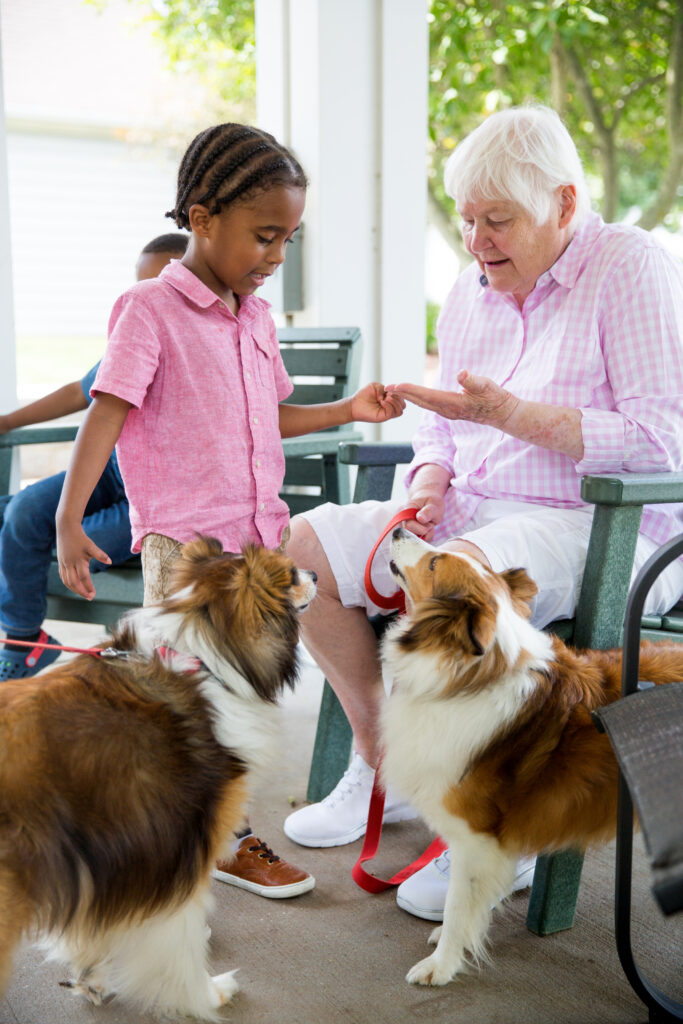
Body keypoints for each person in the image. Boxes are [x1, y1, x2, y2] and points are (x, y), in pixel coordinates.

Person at [281, 104, 683, 922]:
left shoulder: (630, 266)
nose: (474, 241)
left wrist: (513, 417)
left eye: (496, 220)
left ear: (564, 204)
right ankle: (385, 757)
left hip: (598, 520)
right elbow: (441, 424)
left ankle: (496, 825)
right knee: (301, 546)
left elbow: (663, 442)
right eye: (466, 220)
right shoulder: (474, 287)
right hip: (475, 511)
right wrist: (427, 478)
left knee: (453, 577)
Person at [54, 122, 405, 901]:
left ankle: (209, 835)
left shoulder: (254, 317)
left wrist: (349, 407)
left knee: (241, 703)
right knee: (187, 703)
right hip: (187, 553)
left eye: (289, 239)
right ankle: (186, 845)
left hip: (260, 548)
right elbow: (104, 413)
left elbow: (269, 417)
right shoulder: (147, 309)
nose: (276, 255)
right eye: (264, 236)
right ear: (203, 216)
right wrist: (68, 518)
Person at [0, 232, 188, 681]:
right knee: (23, 510)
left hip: (158, 500)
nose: (147, 299)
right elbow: (77, 391)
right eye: (139, 287)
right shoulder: (135, 339)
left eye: (161, 284)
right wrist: (6, 422)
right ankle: (24, 638)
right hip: (112, 473)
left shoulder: (197, 347)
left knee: (53, 532)